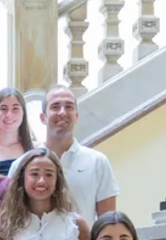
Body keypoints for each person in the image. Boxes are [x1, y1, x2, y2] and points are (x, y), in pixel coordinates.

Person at [0, 147, 89, 240]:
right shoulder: (4, 226)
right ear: (22, 177)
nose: (41, 181)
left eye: (49, 175)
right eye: (34, 174)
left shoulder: (76, 225)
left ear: (57, 179)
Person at [41, 85, 119, 224]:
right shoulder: (23, 164)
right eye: (55, 106)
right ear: (43, 117)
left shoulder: (98, 162)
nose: (62, 112)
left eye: (69, 107)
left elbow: (107, 224)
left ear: (76, 116)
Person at [0, 87, 35, 177]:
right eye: (3, 109)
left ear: (23, 113)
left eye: (15, 109)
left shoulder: (34, 149)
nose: (9, 115)